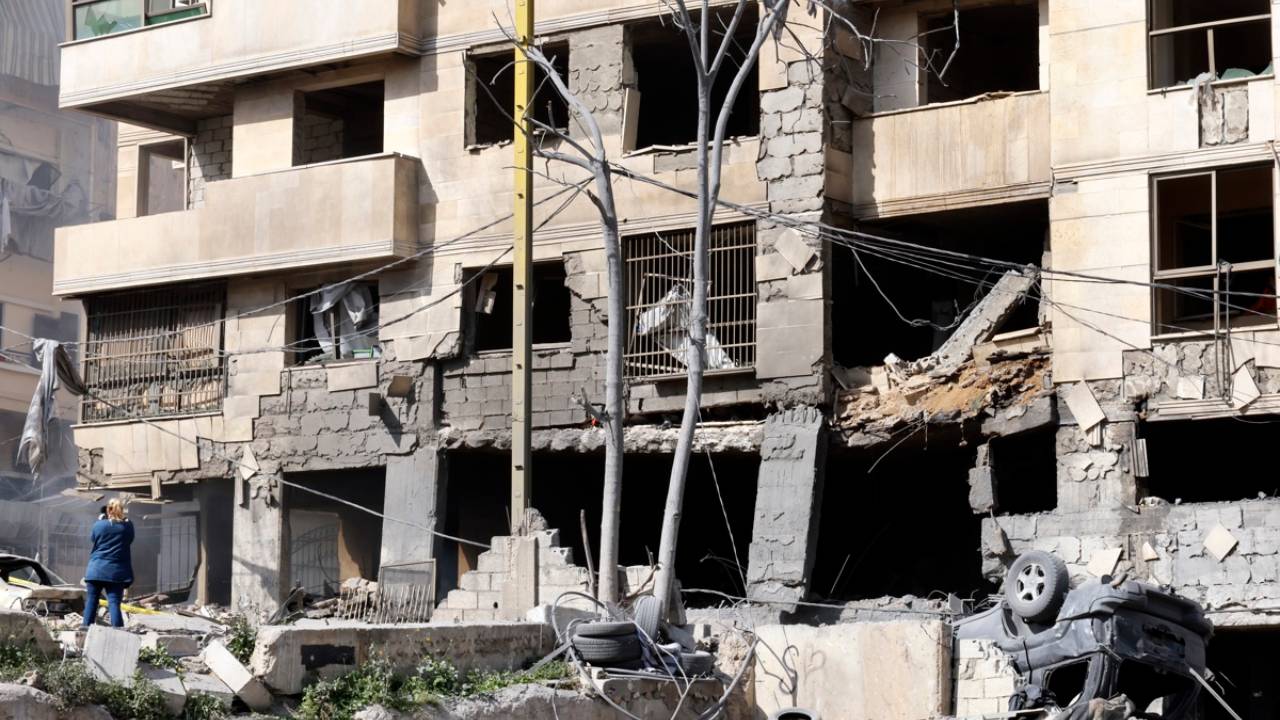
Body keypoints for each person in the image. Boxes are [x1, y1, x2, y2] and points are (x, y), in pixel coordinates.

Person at [82, 498, 134, 628]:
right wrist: (124, 520)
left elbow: (93, 539)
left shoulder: (98, 525)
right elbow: (130, 540)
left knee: (92, 600)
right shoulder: (127, 527)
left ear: (107, 510)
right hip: (116, 573)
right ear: (121, 510)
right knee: (114, 602)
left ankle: (85, 628)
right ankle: (118, 630)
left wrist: (101, 520)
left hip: (95, 570)